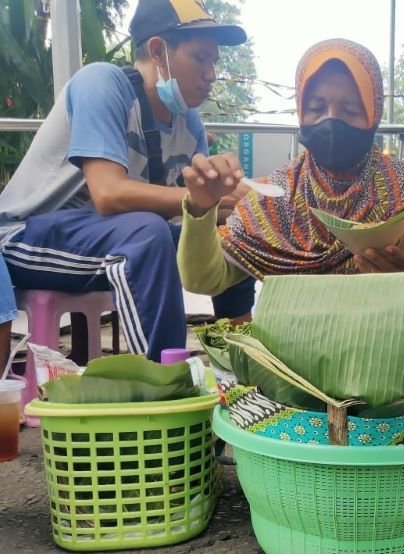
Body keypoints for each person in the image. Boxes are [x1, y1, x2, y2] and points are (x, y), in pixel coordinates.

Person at [0, 0, 255, 362]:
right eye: (201, 58)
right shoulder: (101, 83)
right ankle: (165, 377)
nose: (211, 74)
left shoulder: (190, 123)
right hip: (25, 239)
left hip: (107, 240)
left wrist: (238, 204)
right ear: (158, 51)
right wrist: (200, 198)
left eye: (214, 62)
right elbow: (108, 194)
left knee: (234, 235)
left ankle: (246, 360)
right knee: (147, 232)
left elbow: (196, 210)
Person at [176, 37, 404, 296]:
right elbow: (204, 280)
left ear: (374, 113)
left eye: (350, 110)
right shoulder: (278, 195)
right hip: (289, 328)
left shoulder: (403, 186)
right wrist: (201, 207)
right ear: (301, 112)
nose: (331, 121)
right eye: (316, 108)